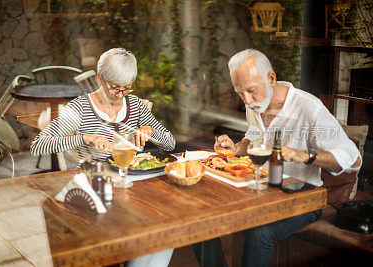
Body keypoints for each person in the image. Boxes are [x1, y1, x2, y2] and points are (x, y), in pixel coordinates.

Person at [204, 49, 361, 267]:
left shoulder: (310, 108)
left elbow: (354, 160)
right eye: (240, 93)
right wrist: (235, 148)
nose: (247, 101)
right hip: (261, 190)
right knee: (203, 217)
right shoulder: (256, 106)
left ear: (271, 78)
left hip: (302, 198)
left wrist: (304, 156)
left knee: (259, 234)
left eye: (251, 91)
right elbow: (253, 139)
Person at [31, 48, 175, 267]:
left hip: (133, 185)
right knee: (148, 228)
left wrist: (151, 132)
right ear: (100, 78)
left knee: (168, 228)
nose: (120, 94)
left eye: (127, 87)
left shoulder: (135, 105)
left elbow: (170, 143)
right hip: (97, 188)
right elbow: (39, 145)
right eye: (114, 87)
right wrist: (83, 137)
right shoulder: (79, 108)